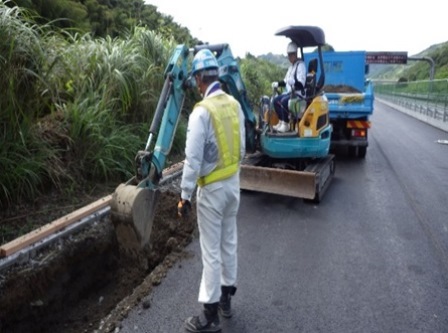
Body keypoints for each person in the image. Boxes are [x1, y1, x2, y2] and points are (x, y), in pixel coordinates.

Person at [177, 48, 246, 333]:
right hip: (233, 185)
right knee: (228, 242)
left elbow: (192, 161)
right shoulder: (234, 105)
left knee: (211, 251)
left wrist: (184, 195)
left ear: (197, 79)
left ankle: (209, 315)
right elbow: (242, 148)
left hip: (213, 191)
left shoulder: (201, 113)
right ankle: (226, 299)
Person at [271, 41, 306, 133]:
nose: (290, 57)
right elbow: (286, 81)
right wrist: (278, 84)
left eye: (291, 54)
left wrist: (294, 82)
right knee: (275, 100)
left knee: (284, 101)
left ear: (295, 54)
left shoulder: (301, 66)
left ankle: (286, 125)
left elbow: (301, 84)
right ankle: (281, 122)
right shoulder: (291, 67)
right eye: (289, 55)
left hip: (298, 95)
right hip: (290, 93)